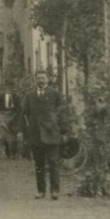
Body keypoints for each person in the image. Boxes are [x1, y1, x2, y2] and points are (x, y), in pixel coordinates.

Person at [21, 69, 68, 200]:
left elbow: (63, 113)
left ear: (47, 79)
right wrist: (25, 133)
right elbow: (24, 115)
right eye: (38, 78)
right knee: (39, 164)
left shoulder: (55, 94)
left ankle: (55, 191)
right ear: (35, 80)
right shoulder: (30, 96)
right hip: (36, 135)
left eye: (43, 78)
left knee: (53, 163)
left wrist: (63, 131)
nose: (40, 80)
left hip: (52, 133)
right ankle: (41, 191)